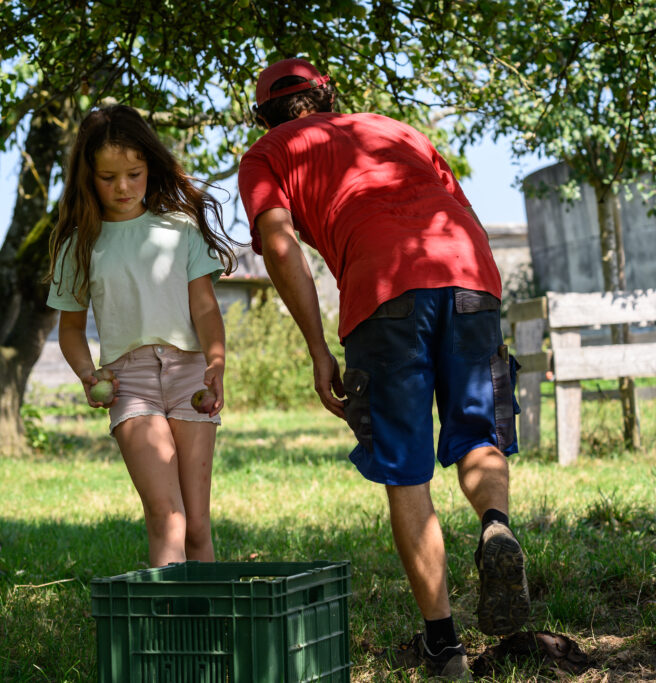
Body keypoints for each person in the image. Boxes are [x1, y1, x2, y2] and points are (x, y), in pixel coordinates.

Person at [238, 58, 530, 679]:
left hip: (384, 289)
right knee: (478, 434)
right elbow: (465, 212)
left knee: (407, 472)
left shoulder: (267, 152)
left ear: (264, 114)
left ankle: (444, 646)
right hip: (470, 273)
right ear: (329, 96)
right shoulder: (395, 130)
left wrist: (318, 347)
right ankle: (496, 528)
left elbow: (278, 241)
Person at [46, 104, 238, 568]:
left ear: (150, 166)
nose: (123, 188)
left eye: (133, 173)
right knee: (167, 517)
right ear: (88, 177)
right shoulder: (80, 244)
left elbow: (205, 307)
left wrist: (215, 363)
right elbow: (70, 330)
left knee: (196, 525)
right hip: (127, 383)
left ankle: (204, 631)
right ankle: (167, 628)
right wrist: (88, 374)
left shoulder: (181, 228)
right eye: (108, 177)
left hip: (190, 373)